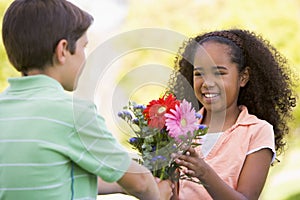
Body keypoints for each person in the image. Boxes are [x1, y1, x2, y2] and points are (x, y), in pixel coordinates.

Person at [0, 0, 172, 199]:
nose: (85, 57)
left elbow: (49, 177)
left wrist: (120, 186)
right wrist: (157, 194)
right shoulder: (73, 114)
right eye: (84, 47)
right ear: (63, 50)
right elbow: (141, 183)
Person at [167, 29, 296, 199]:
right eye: (199, 73)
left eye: (219, 73)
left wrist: (203, 172)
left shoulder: (257, 131)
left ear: (243, 77)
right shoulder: (180, 127)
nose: (207, 83)